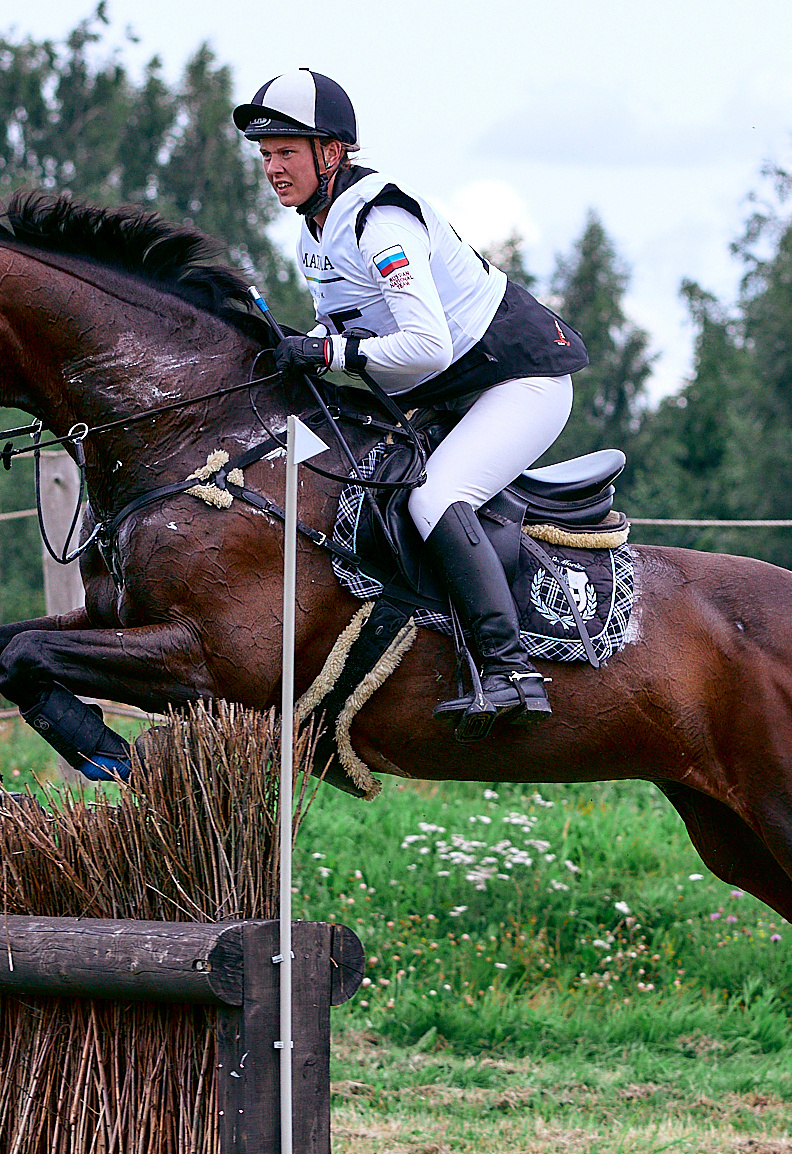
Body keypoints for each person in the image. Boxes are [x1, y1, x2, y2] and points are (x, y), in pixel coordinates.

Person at [233, 69, 590, 741]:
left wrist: (328, 353)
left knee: (433, 498)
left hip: (518, 383)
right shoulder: (316, 229)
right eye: (265, 155)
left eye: (285, 151)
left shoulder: (379, 222)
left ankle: (512, 669)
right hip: (451, 396)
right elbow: (344, 334)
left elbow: (424, 345)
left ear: (330, 153)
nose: (271, 168)